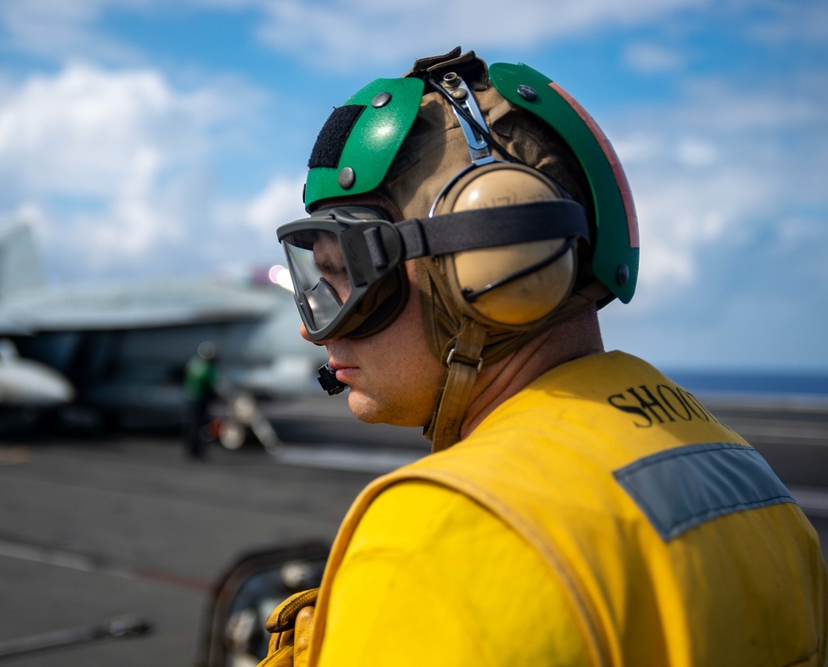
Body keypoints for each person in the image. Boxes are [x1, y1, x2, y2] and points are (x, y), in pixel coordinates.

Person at [260, 47, 828, 666]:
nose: (314, 334)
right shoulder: (745, 475)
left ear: (486, 266)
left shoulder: (440, 532)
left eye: (347, 275)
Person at [183, 340, 218, 460]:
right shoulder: (207, 367)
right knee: (199, 425)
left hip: (190, 397)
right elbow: (210, 384)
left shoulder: (193, 363)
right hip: (200, 399)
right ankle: (197, 450)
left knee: (191, 424)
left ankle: (190, 448)